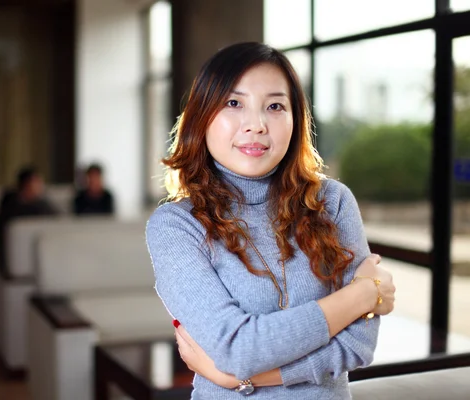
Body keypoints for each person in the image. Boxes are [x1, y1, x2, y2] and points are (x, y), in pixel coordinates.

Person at [145, 42, 396, 399]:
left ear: (296, 120)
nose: (256, 125)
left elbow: (358, 345)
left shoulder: (333, 202)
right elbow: (238, 348)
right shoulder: (177, 225)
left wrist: (243, 379)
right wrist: (362, 295)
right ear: (202, 117)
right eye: (234, 103)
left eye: (275, 106)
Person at [0, 166, 58, 274]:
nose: (41, 185)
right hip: (15, 256)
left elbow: (56, 222)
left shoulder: (43, 204)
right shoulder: (10, 205)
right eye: (37, 182)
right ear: (26, 184)